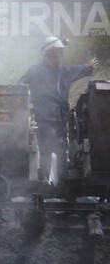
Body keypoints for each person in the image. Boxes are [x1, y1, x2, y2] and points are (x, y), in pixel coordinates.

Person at [18, 37, 98, 188]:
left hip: (61, 117)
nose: (61, 53)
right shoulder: (36, 70)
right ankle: (46, 181)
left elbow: (76, 70)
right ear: (51, 53)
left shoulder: (62, 70)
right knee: (47, 148)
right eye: (59, 51)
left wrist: (89, 67)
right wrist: (29, 97)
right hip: (45, 117)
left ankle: (60, 184)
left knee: (61, 148)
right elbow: (21, 84)